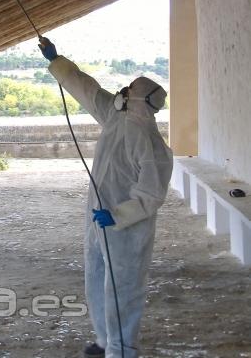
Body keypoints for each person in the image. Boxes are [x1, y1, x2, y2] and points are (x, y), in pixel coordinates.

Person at [38, 37, 173, 358]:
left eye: (129, 90)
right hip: (99, 219)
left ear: (140, 99)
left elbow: (152, 194)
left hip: (126, 229)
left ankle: (122, 350)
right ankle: (104, 342)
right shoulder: (116, 118)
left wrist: (119, 215)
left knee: (122, 289)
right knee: (97, 280)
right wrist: (57, 61)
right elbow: (87, 89)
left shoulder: (149, 142)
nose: (122, 93)